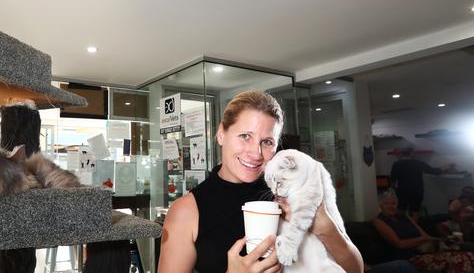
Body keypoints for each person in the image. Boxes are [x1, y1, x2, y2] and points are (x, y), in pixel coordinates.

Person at [157, 90, 363, 273]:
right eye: (245, 136)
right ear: (221, 134)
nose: (256, 153)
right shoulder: (187, 211)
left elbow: (356, 269)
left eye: (266, 142)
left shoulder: (292, 191)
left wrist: (327, 229)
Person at [373, 191, 474, 273]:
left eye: (393, 203)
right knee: (460, 259)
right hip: (409, 256)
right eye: (386, 203)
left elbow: (424, 234)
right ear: (380, 205)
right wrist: (423, 239)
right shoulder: (379, 221)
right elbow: (400, 244)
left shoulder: (404, 216)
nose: (391, 206)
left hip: (426, 250)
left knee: (468, 255)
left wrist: (442, 239)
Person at [389, 148, 448, 220]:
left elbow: (393, 180)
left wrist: (395, 191)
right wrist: (445, 167)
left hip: (402, 191)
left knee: (401, 209)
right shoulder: (418, 163)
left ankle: (399, 227)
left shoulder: (397, 164)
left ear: (401, 154)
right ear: (412, 153)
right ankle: (414, 228)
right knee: (414, 211)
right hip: (416, 191)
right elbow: (433, 171)